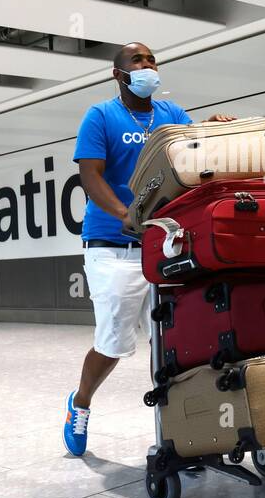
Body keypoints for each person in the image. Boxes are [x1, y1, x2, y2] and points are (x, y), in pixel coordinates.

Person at [65, 42, 234, 455]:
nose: (147, 66)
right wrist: (126, 213)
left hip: (165, 244)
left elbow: (193, 157)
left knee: (181, 341)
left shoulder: (171, 115)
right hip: (113, 244)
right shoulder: (101, 115)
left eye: (152, 60)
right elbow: (91, 176)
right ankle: (80, 403)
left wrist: (209, 130)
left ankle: (184, 433)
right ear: (118, 74)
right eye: (137, 61)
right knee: (114, 343)